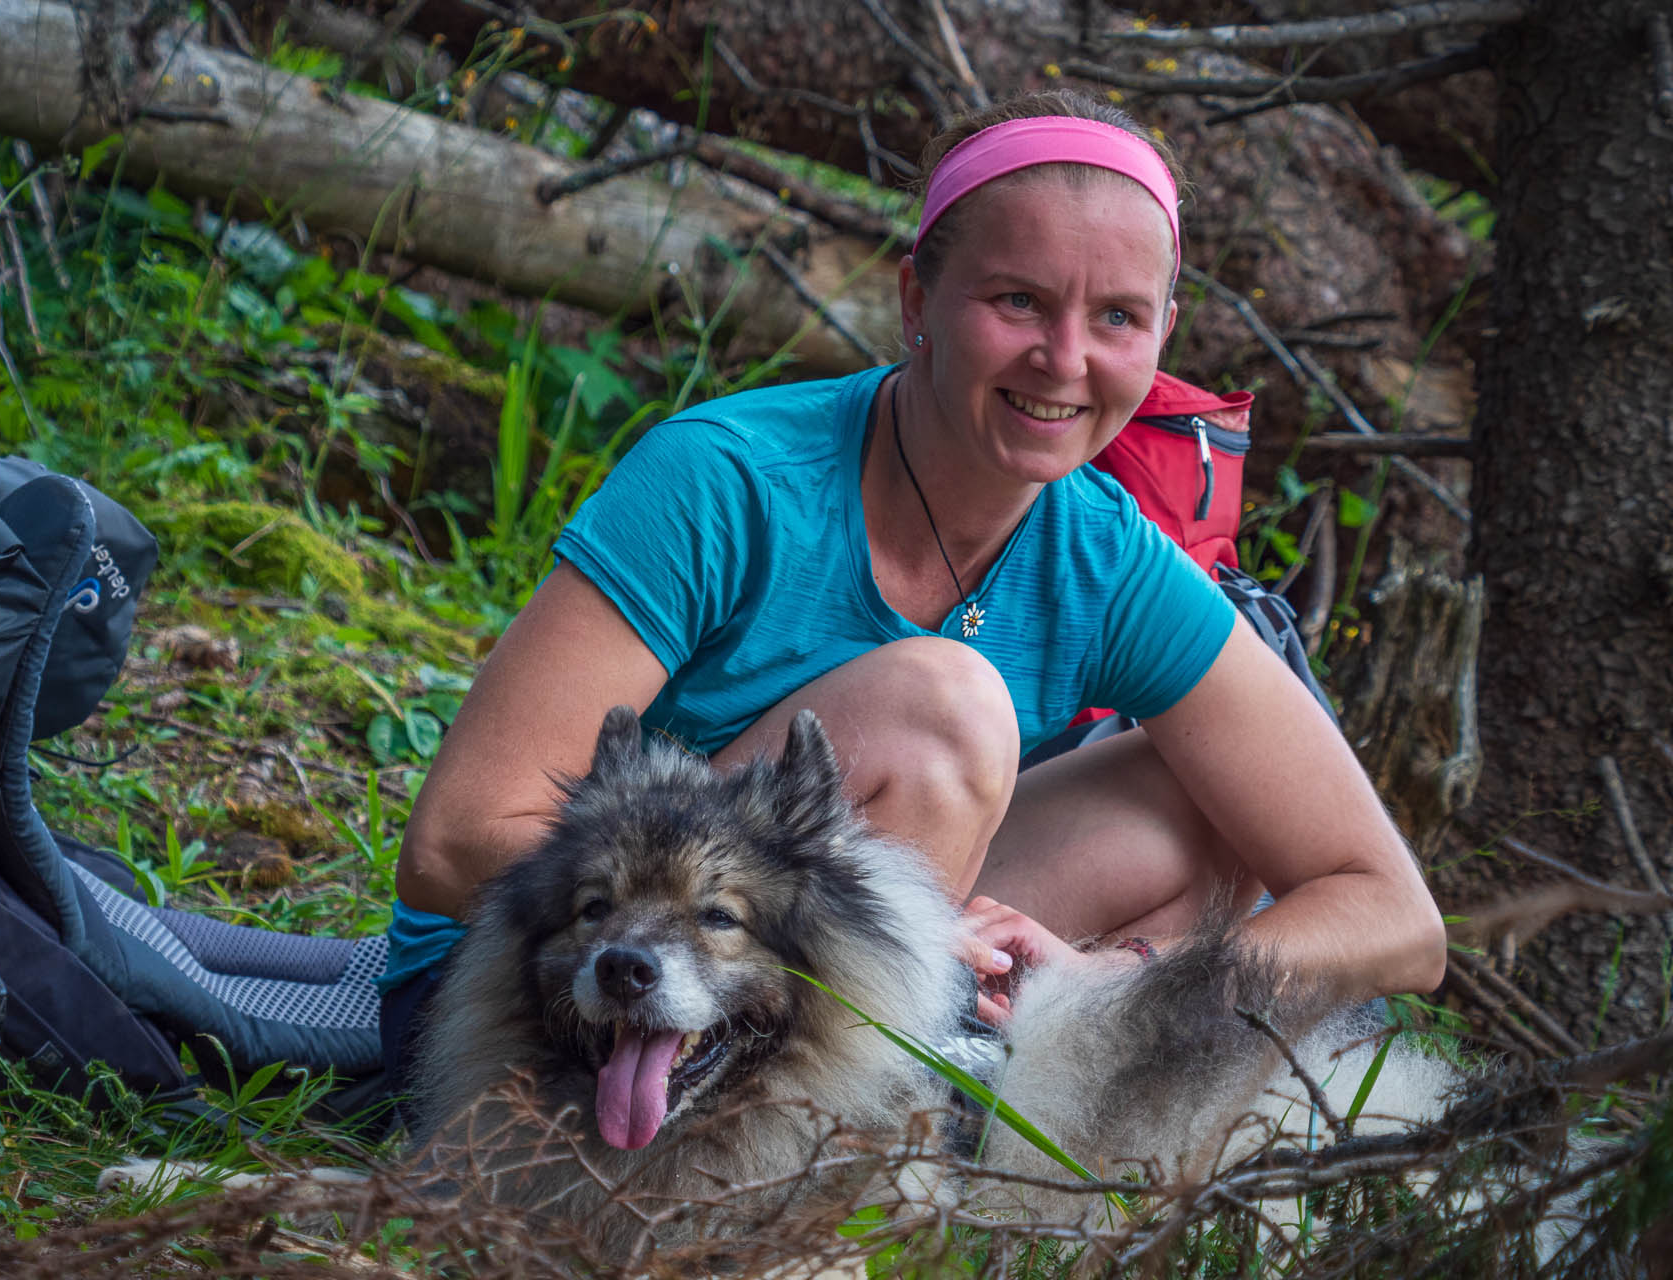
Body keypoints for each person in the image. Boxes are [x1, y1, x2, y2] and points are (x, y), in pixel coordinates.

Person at [377, 90, 1445, 1072]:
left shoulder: (1109, 556)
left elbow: (1394, 915)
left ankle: (954, 1075)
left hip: (790, 974)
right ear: (916, 298)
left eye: (1117, 316)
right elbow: (453, 839)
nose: (1065, 358)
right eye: (1018, 300)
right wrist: (895, 942)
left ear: (1163, 335)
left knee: (1205, 812)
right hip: (554, 999)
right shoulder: (728, 480)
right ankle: (892, 1104)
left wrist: (1122, 980)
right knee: (943, 710)